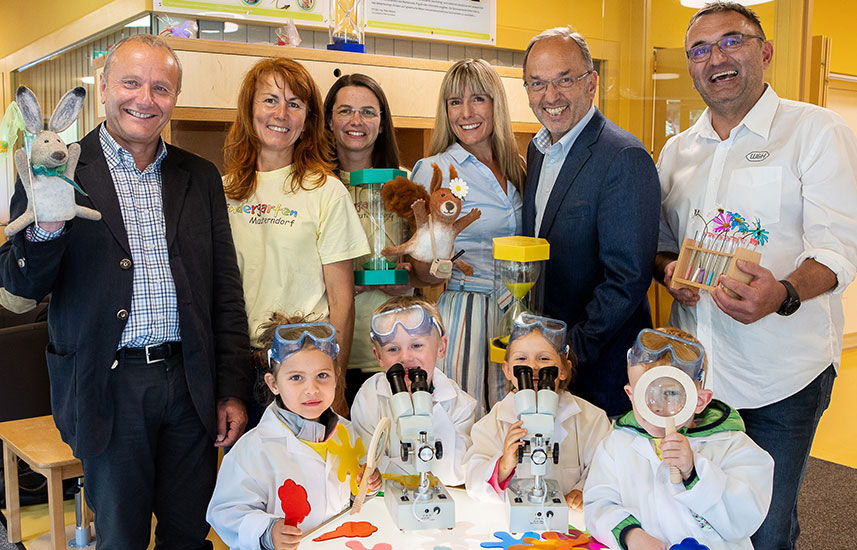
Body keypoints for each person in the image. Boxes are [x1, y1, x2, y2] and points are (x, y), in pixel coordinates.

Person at [0, 35, 252, 549]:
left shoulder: (198, 175)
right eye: (131, 83)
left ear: (174, 98)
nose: (145, 98)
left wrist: (230, 386)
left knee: (189, 532)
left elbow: (224, 288)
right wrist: (47, 230)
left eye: (161, 87)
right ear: (103, 91)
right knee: (120, 537)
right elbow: (20, 283)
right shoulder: (57, 166)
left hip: (189, 384)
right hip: (106, 386)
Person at [654, 3, 857, 548]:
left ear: (764, 52)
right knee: (695, 515)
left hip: (781, 379)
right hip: (694, 377)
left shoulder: (815, 131)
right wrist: (669, 270)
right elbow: (661, 246)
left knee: (764, 530)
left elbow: (838, 249)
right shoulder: (677, 152)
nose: (715, 58)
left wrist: (785, 293)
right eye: (699, 49)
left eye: (731, 42)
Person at [521, 27, 661, 418]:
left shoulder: (623, 156)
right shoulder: (538, 149)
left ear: (591, 83)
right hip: (548, 365)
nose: (550, 96)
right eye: (537, 83)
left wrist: (571, 351)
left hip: (598, 369)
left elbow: (627, 278)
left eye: (565, 79)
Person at [223, 58, 369, 417]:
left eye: (295, 104)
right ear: (249, 110)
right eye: (270, 100)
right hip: (241, 371)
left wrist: (334, 380)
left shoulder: (326, 192)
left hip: (306, 372)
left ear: (307, 120)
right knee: (251, 473)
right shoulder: (222, 193)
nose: (281, 114)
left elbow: (342, 301)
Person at [584, 327, 774, 550]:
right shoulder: (616, 444)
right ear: (631, 395)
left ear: (700, 401)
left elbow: (744, 518)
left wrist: (694, 471)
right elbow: (598, 503)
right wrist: (630, 534)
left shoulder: (733, 446)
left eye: (671, 393)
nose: (657, 405)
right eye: (646, 394)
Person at [411, 58, 526, 415]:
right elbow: (417, 270)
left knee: (515, 424)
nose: (466, 112)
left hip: (519, 311)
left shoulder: (519, 167)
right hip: (466, 313)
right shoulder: (433, 170)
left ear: (496, 104)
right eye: (454, 102)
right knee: (467, 422)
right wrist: (439, 267)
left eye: (478, 99)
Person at [207, 315, 382, 550]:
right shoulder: (252, 449)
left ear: (337, 376)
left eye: (322, 376)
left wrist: (368, 488)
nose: (312, 389)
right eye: (296, 378)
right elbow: (225, 512)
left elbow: (351, 500)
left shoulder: (348, 433)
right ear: (273, 383)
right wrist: (268, 532)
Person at [323, 73, 412, 405]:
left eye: (368, 112)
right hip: (330, 354)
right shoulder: (314, 185)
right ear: (329, 120)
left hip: (394, 350)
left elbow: (422, 267)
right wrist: (339, 280)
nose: (356, 121)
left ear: (382, 122)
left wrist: (409, 276)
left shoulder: (404, 183)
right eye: (345, 111)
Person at [464, 314, 610, 511]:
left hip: (568, 523)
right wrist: (504, 464)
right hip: (511, 525)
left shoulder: (591, 419)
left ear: (563, 369)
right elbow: (473, 481)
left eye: (544, 358)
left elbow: (605, 469)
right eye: (521, 359)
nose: (533, 367)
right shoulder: (494, 422)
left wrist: (583, 490)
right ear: (507, 370)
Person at [350, 295, 477, 485]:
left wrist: (429, 407)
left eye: (416, 345)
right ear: (379, 356)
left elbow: (456, 474)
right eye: (393, 349)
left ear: (441, 347)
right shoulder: (369, 396)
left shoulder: (461, 405)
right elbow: (364, 460)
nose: (406, 357)